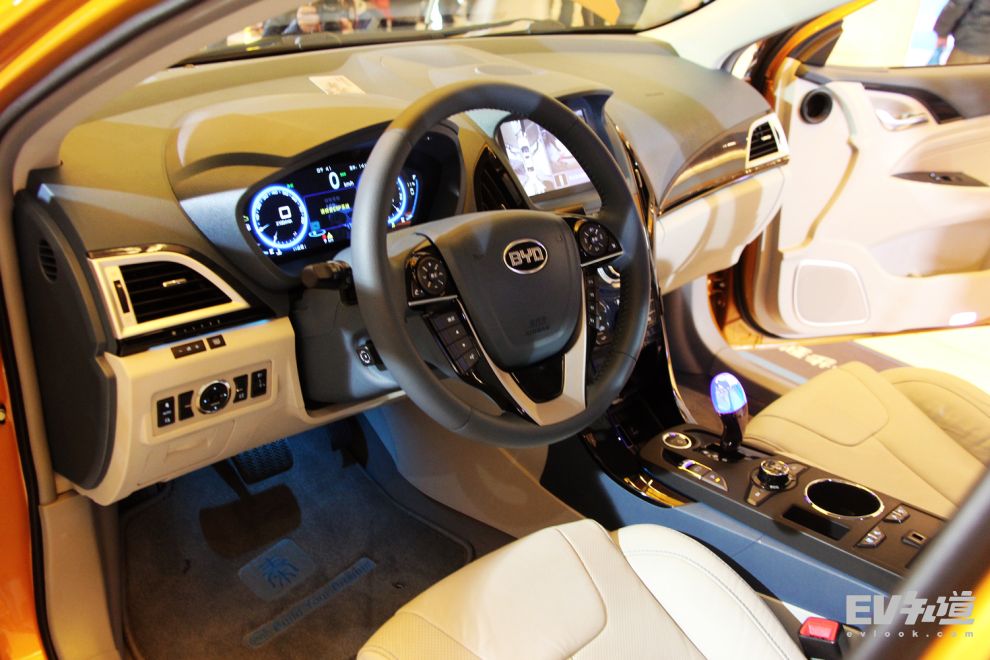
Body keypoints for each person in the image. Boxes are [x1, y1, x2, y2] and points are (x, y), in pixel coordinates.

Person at [934, 0, 990, 64]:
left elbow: (957, 5)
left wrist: (942, 32)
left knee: (957, 70)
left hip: (972, 44)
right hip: (980, 42)